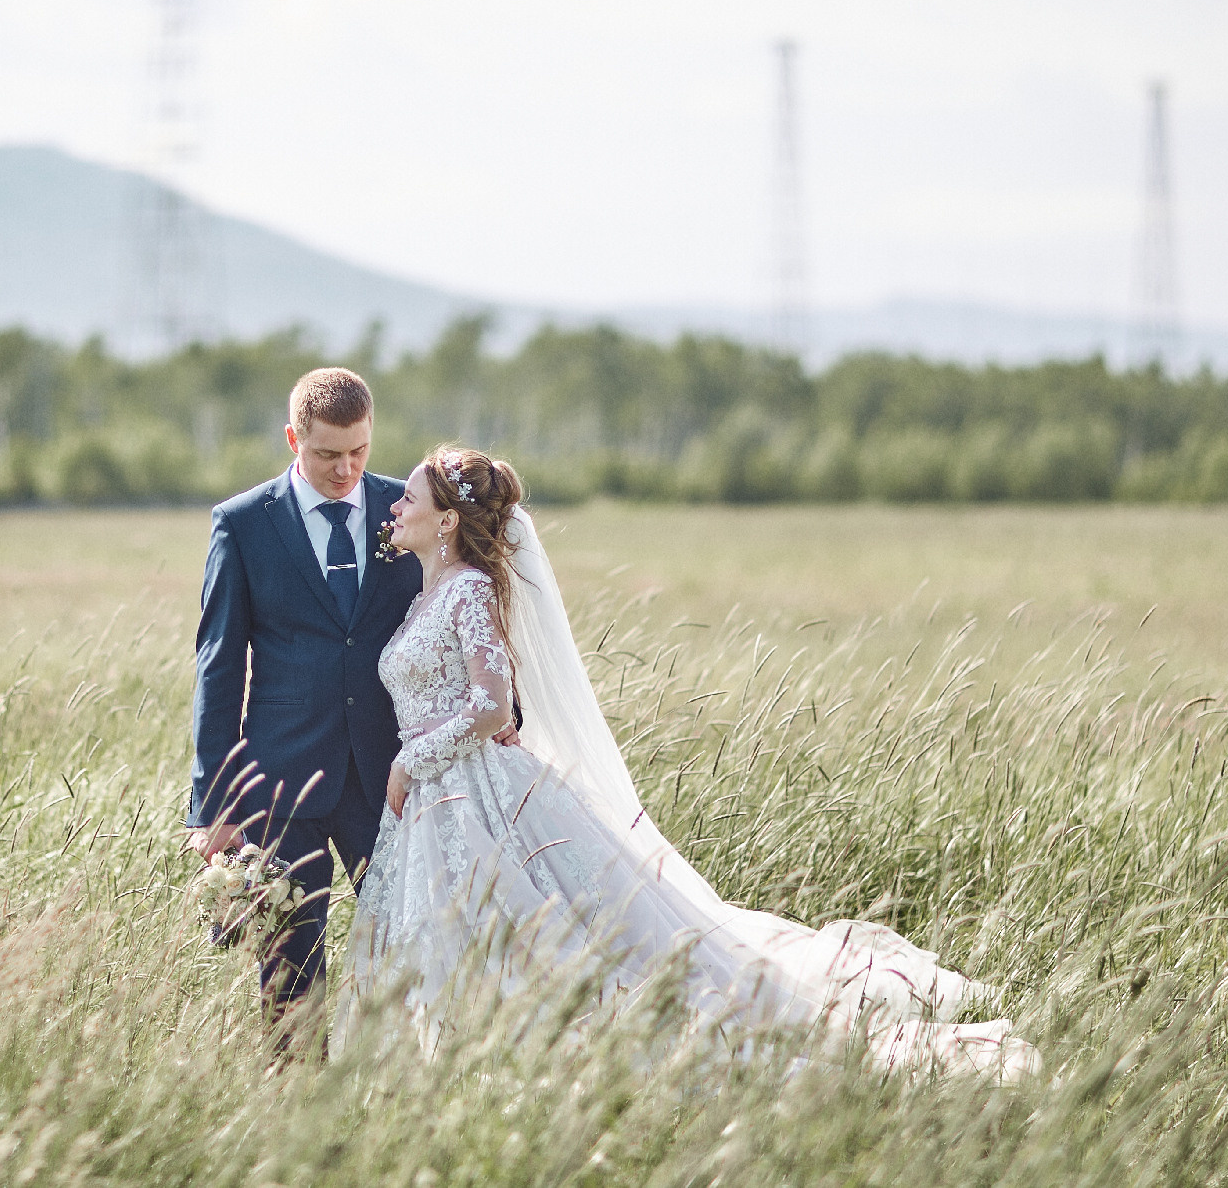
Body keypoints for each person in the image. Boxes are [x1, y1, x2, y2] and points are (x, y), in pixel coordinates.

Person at [340, 443, 1041, 1079]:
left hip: (465, 786)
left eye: (408, 499)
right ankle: (453, 1068)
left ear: (446, 522)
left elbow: (494, 707)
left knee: (526, 933)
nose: (393, 507)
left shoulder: (465, 588)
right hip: (439, 796)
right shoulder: (429, 589)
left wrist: (413, 760)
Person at [187, 367, 427, 1018]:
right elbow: (218, 666)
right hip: (278, 782)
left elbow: (460, 615)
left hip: (388, 779)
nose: (346, 468)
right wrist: (213, 804)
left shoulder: (406, 510)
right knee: (289, 975)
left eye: (359, 450)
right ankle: (296, 1109)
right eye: (327, 453)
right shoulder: (242, 524)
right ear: (294, 437)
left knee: (411, 955)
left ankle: (402, 1103)